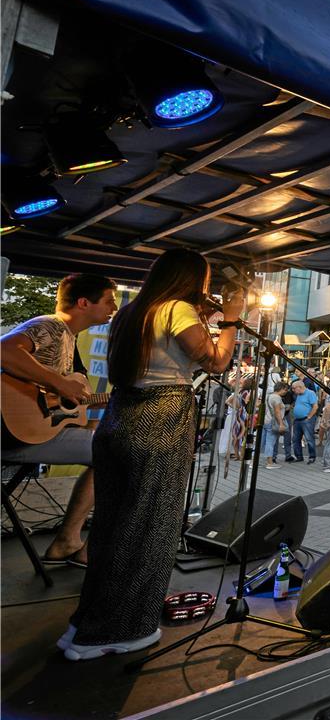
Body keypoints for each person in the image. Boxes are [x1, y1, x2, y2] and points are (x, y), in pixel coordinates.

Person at [61, 249, 241, 660]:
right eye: (206, 278)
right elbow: (215, 362)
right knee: (151, 524)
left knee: (111, 524)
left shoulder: (133, 311)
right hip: (161, 417)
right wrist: (230, 319)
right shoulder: (176, 308)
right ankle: (117, 631)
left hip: (121, 415)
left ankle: (85, 625)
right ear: (190, 278)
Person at [1, 273, 118, 568]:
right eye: (108, 301)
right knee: (119, 454)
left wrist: (81, 418)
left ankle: (69, 540)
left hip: (31, 432)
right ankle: (75, 542)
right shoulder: (50, 326)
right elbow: (3, 349)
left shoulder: (69, 338)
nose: (113, 308)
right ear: (83, 302)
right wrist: (58, 383)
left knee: (110, 448)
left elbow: (58, 407)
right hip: (12, 435)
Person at [289, 380, 319, 464]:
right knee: (295, 439)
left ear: (300, 387)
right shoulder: (298, 394)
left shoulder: (310, 393)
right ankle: (299, 456)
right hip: (297, 420)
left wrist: (309, 416)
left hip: (306, 420)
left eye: (294, 388)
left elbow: (315, 406)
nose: (293, 390)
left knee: (309, 439)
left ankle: (312, 457)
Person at [262, 381, 288, 468]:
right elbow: (277, 412)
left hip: (266, 420)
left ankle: (253, 462)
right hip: (273, 422)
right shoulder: (277, 398)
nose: (286, 391)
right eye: (285, 389)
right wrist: (281, 424)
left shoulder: (268, 396)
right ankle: (270, 462)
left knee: (262, 442)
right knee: (270, 442)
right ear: (280, 389)